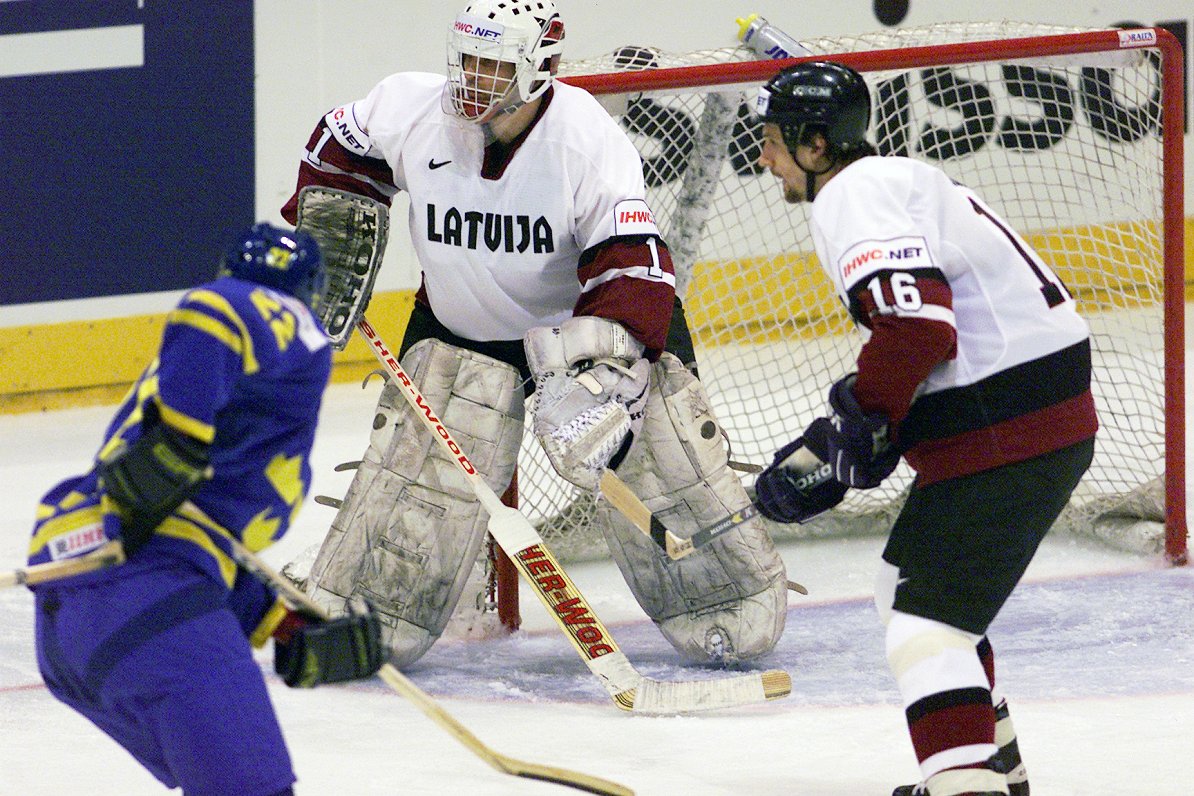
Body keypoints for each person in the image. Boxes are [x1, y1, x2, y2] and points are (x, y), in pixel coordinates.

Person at [280, 0, 788, 669]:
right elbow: (336, 146)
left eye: (493, 65)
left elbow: (633, 265)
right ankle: (369, 620)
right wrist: (332, 226)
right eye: (467, 60)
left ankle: (725, 603)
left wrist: (606, 376)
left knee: (662, 474)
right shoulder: (410, 109)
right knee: (417, 494)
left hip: (587, 338)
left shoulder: (585, 140)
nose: (472, 78)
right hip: (461, 335)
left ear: (539, 69)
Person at [751, 62, 1098, 796]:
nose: (765, 157)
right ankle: (993, 766)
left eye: (776, 141)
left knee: (924, 622)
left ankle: (965, 784)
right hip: (1033, 406)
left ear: (817, 145)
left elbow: (917, 326)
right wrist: (861, 426)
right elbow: (928, 332)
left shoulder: (851, 194)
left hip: (1009, 419)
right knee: (906, 590)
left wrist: (864, 416)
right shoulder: (892, 178)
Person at [26, 223, 385, 796]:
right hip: (143, 591)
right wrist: (181, 443)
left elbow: (192, 537)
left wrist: (282, 625)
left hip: (81, 610)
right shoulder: (281, 320)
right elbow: (217, 308)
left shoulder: (232, 412)